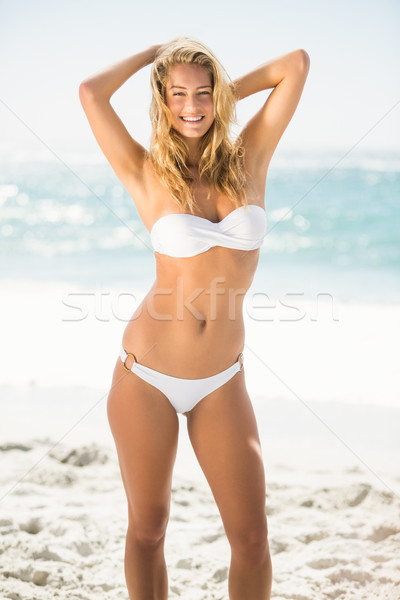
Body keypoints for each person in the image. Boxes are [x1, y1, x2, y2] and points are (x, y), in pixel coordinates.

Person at [79, 36, 310, 600]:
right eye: (178, 94)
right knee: (148, 527)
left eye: (202, 95)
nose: (192, 106)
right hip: (146, 378)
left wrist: (222, 96)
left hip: (222, 380)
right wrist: (153, 55)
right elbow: (90, 93)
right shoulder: (143, 171)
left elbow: (294, 65)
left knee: (252, 538)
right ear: (161, 99)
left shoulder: (248, 156)